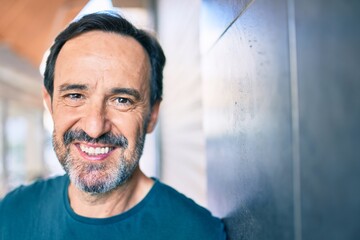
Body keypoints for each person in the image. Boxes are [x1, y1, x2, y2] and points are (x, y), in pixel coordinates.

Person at [0, 12, 226, 240]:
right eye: (75, 95)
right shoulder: (11, 215)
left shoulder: (199, 233)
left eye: (122, 100)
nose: (95, 128)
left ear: (152, 115)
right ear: (50, 105)